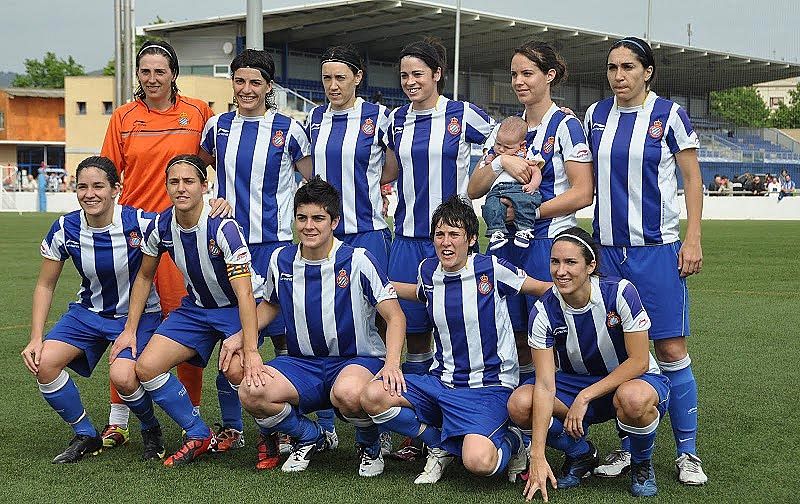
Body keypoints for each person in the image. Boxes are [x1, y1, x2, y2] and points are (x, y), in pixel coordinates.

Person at [584, 37, 707, 485]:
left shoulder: (669, 115)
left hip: (656, 251)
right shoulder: (595, 116)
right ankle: (628, 446)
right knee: (623, 353)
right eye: (612, 67)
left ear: (647, 71)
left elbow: (692, 179)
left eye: (628, 67)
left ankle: (687, 453)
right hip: (607, 254)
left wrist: (692, 237)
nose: (619, 76)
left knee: (670, 349)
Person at [362, 196, 552, 485]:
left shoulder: (491, 268)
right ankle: (439, 445)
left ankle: (513, 442)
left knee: (478, 462)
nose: (446, 242)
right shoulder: (428, 271)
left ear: (472, 239)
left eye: (454, 234)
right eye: (440, 234)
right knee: (372, 396)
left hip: (489, 386)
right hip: (441, 383)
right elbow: (420, 292)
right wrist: (371, 285)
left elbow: (540, 288)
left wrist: (586, 290)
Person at [237, 177, 406, 476]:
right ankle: (310, 435)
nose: (309, 226)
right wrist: (242, 339)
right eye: (302, 218)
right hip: (302, 364)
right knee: (251, 391)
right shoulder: (281, 260)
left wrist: (392, 364)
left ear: (334, 221)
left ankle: (370, 445)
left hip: (356, 360)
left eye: (318, 218)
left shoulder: (357, 260)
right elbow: (270, 305)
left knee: (349, 393)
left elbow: (395, 316)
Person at [199, 48, 317, 453]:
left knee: (285, 340)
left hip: (276, 248)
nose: (246, 89)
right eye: (240, 81)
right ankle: (233, 428)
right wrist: (213, 198)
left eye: (255, 82)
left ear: (269, 87)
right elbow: (198, 171)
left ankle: (288, 423)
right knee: (231, 338)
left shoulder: (289, 129)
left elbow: (313, 183)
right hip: (229, 247)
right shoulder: (217, 127)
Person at [100, 40, 217, 448]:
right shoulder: (123, 117)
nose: (152, 79)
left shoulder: (198, 112)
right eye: (145, 71)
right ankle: (118, 419)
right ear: (138, 75)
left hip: (182, 232)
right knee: (127, 323)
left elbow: (218, 162)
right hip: (136, 236)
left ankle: (192, 414)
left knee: (186, 323)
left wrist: (218, 199)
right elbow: (108, 175)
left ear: (173, 74)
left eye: (159, 71)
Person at [20, 156, 166, 463]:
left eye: (98, 186)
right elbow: (45, 285)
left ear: (116, 189)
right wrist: (35, 337)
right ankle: (86, 434)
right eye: (82, 187)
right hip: (88, 313)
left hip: (139, 316)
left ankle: (150, 428)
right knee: (44, 363)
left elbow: (185, 220)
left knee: (123, 376)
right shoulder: (65, 227)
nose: (90, 194)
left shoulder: (141, 223)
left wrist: (215, 205)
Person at [467, 40, 593, 394]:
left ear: (549, 75)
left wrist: (531, 211)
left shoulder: (565, 125)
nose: (519, 81)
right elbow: (474, 189)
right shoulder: (505, 129)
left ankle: (551, 418)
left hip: (547, 245)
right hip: (503, 246)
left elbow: (583, 192)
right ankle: (519, 416)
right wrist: (500, 162)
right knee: (513, 337)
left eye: (527, 73)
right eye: (514, 74)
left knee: (549, 338)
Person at [119, 154, 261, 467]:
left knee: (236, 369)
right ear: (166, 186)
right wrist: (130, 329)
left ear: (204, 186)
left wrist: (250, 348)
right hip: (196, 309)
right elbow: (144, 276)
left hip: (236, 308)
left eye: (188, 181)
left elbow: (245, 293)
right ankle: (198, 432)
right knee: (146, 367)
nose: (181, 188)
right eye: (174, 182)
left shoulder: (222, 226)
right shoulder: (161, 226)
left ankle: (259, 431)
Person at [510, 227, 671, 499]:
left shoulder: (620, 292)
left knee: (634, 399)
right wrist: (537, 454)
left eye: (570, 262)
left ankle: (641, 463)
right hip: (574, 383)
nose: (561, 271)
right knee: (520, 403)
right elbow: (545, 385)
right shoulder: (543, 310)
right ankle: (581, 453)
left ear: (591, 265)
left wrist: (585, 396)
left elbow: (639, 361)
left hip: (630, 379)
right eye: (555, 262)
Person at [384, 37, 495, 386]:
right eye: (404, 75)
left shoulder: (462, 114)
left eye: (418, 74)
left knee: (457, 330)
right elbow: (386, 169)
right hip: (406, 239)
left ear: (437, 74)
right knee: (414, 334)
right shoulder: (395, 119)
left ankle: (458, 399)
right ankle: (419, 406)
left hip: (452, 240)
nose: (410, 82)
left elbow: (506, 140)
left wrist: (500, 164)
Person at [305, 45, 396, 453]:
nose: (333, 85)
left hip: (369, 232)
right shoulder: (314, 118)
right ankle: (328, 423)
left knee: (380, 322)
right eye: (327, 77)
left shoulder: (379, 117)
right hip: (328, 237)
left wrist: (371, 186)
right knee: (325, 321)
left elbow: (392, 166)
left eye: (340, 77)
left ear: (358, 77)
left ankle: (382, 414)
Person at [480, 115, 543, 251]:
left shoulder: (526, 155)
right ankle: (496, 231)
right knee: (490, 207)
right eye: (498, 144)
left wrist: (533, 185)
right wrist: (490, 159)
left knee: (525, 203)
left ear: (522, 145)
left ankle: (524, 229)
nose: (501, 150)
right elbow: (482, 174)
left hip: (518, 188)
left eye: (507, 147)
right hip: (497, 190)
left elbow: (536, 171)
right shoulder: (494, 155)